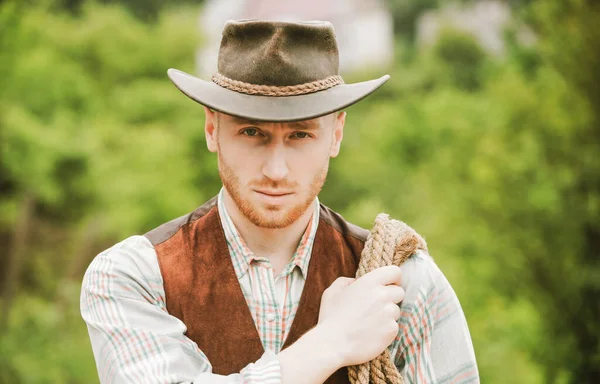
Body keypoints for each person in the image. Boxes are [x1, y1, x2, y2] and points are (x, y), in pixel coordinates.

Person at [80, 20, 479, 384]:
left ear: (336, 134)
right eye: (252, 132)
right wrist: (331, 343)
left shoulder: (403, 280)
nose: (276, 169)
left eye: (300, 135)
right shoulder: (132, 276)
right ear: (211, 128)